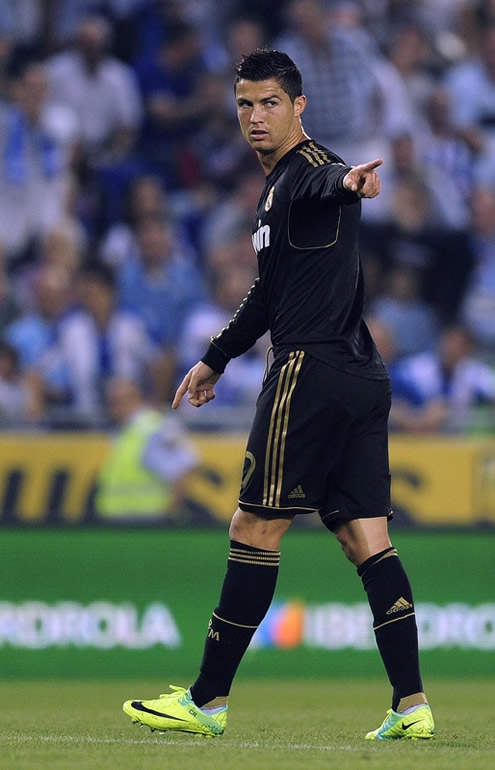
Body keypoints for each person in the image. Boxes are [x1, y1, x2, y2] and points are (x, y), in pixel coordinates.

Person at [122, 49, 435, 742]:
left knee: (252, 527)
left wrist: (349, 182)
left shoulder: (306, 173)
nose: (254, 117)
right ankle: (411, 705)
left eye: (268, 103)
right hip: (360, 374)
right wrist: (214, 359)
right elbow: (269, 291)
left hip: (310, 370)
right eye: (243, 105)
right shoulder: (278, 187)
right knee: (364, 537)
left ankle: (205, 700)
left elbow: (332, 182)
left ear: (298, 105)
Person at [94, 376, 199, 522]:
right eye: (111, 401)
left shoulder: (150, 429)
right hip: (123, 523)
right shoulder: (126, 431)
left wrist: (166, 518)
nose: (113, 407)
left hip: (145, 523)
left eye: (118, 401)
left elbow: (183, 469)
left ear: (135, 398)